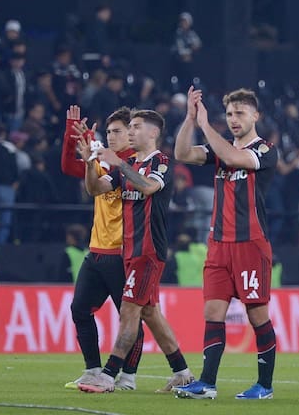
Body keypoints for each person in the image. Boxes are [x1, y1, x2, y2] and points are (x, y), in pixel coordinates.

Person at [172, 87, 279, 400]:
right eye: (230, 114)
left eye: (240, 113)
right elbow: (182, 154)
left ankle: (265, 385)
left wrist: (207, 125)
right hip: (219, 243)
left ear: (255, 116)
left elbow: (234, 157)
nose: (233, 119)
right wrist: (191, 119)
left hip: (250, 244)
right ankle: (207, 382)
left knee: (257, 315)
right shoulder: (218, 149)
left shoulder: (265, 150)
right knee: (213, 312)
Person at [75, 110, 194, 393]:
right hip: (129, 251)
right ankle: (182, 373)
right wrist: (91, 163)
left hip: (149, 251)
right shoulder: (125, 164)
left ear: (153, 133)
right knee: (150, 313)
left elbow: (150, 186)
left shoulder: (161, 162)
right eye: (129, 127)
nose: (130, 132)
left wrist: (118, 163)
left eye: (136, 127)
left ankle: (109, 374)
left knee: (129, 311)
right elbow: (96, 189)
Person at [60, 105, 144, 390]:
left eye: (117, 131)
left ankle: (128, 376)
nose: (111, 136)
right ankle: (93, 370)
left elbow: (113, 169)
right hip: (97, 249)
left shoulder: (135, 164)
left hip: (122, 252)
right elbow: (69, 167)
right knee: (79, 309)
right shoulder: (104, 159)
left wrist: (93, 147)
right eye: (108, 132)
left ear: (132, 134)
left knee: (130, 318)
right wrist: (73, 138)